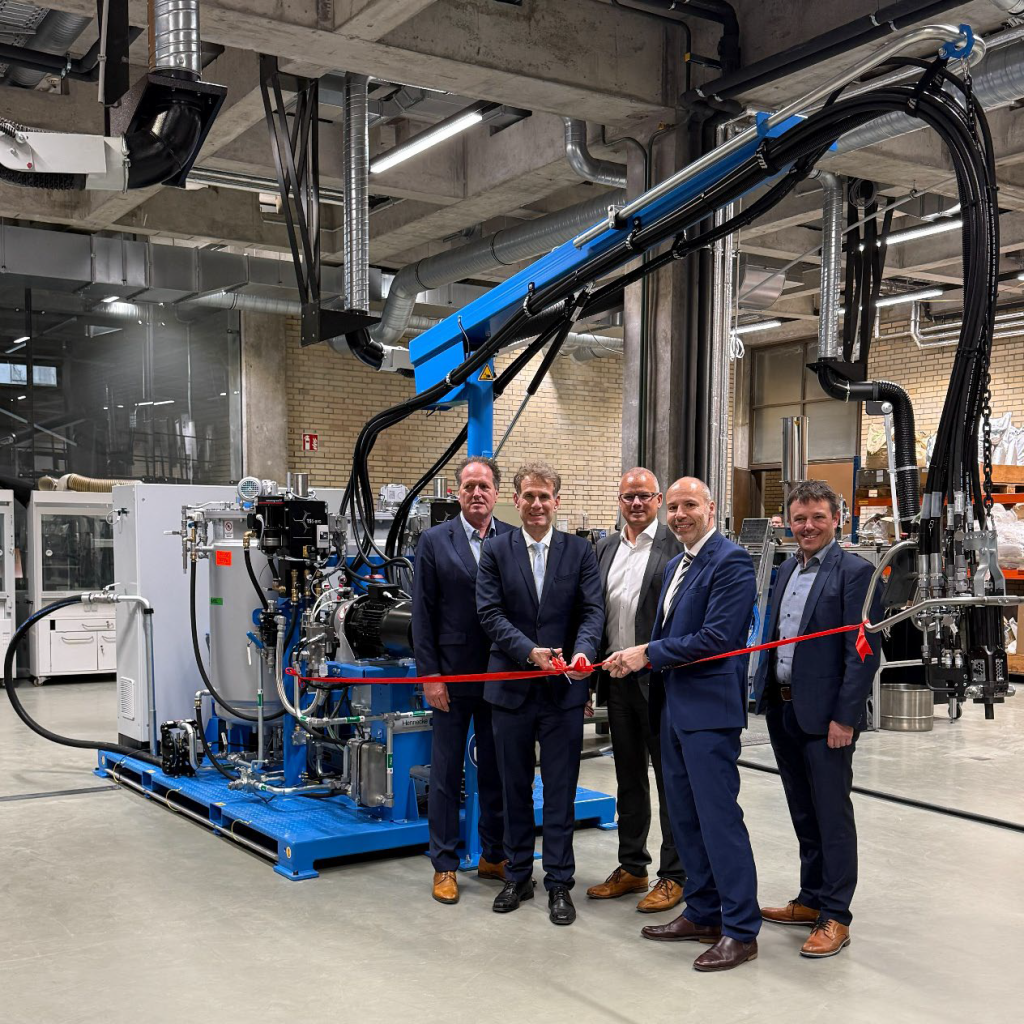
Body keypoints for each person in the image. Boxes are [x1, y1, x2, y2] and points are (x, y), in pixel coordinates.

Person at [606, 477, 760, 972]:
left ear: (711, 508)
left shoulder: (731, 561)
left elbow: (717, 638)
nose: (679, 514)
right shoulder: (677, 564)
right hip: (672, 708)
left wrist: (646, 654)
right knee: (686, 818)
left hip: (709, 713)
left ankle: (741, 929)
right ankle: (703, 911)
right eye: (672, 507)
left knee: (718, 819)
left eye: (689, 504)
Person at [752, 479, 881, 958]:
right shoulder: (787, 568)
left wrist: (845, 718)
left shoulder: (856, 573)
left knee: (831, 815)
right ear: (788, 522)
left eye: (817, 518)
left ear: (836, 520)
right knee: (803, 811)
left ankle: (836, 915)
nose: (807, 526)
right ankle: (810, 899)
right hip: (783, 707)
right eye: (799, 518)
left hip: (827, 718)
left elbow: (862, 653)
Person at [476, 461, 605, 926]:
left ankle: (559, 882)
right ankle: (517, 875)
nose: (536, 504)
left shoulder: (580, 551)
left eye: (544, 496)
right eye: (528, 496)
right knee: (512, 786)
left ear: (556, 501)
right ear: (516, 500)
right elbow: (489, 613)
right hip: (510, 688)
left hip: (562, 692)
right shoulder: (496, 550)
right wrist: (529, 652)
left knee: (560, 790)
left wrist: (583, 652)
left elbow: (592, 611)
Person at [412, 456, 512, 905]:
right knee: (447, 773)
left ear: (496, 493)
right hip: (450, 677)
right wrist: (430, 676)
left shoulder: (511, 538)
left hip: (500, 674)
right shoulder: (435, 540)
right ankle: (445, 865)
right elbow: (422, 614)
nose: (476, 493)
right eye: (469, 486)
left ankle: (493, 855)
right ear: (457, 493)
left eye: (484, 486)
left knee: (497, 769)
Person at [587, 467, 685, 913]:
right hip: (617, 682)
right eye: (629, 496)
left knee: (670, 781)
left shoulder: (675, 547)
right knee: (628, 778)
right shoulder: (605, 548)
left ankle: (674, 874)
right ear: (620, 501)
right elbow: (595, 614)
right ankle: (632, 866)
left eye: (645, 496)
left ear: (658, 500)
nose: (637, 503)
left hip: (661, 683)